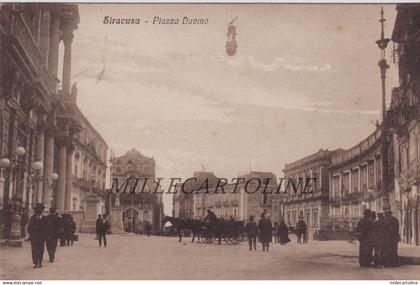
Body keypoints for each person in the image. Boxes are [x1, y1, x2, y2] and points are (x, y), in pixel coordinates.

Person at [28, 203, 46, 268]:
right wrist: (32, 234)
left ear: (42, 210)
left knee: (41, 250)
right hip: (34, 237)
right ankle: (35, 262)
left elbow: (47, 228)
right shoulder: (32, 218)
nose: (39, 211)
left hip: (41, 237)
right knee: (34, 250)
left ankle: (40, 262)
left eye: (41, 209)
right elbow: (29, 227)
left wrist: (44, 235)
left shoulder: (44, 218)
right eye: (38, 209)